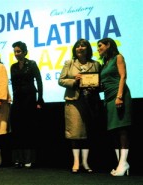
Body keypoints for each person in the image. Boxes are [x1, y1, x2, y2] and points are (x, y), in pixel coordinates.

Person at [58, 38, 101, 173]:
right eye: (78, 46)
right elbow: (61, 80)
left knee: (87, 132)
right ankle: (76, 161)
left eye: (83, 46)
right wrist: (74, 81)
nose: (80, 48)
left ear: (88, 48)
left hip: (90, 101)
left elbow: (100, 82)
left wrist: (95, 87)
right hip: (74, 101)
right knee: (75, 133)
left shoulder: (95, 64)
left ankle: (85, 162)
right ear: (74, 49)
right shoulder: (69, 63)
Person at [97, 38, 132, 176]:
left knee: (122, 130)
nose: (98, 48)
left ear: (108, 45)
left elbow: (123, 77)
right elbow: (103, 83)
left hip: (119, 96)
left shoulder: (118, 57)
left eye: (100, 46)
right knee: (113, 131)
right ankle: (121, 165)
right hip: (108, 98)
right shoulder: (104, 63)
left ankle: (124, 163)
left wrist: (119, 96)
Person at [9, 41, 44, 168]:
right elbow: (13, 84)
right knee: (17, 129)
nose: (17, 54)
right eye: (15, 52)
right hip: (17, 100)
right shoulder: (13, 66)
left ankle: (29, 159)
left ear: (24, 52)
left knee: (28, 129)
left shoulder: (32, 64)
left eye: (18, 51)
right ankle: (18, 159)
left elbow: (39, 82)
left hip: (30, 99)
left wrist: (39, 99)